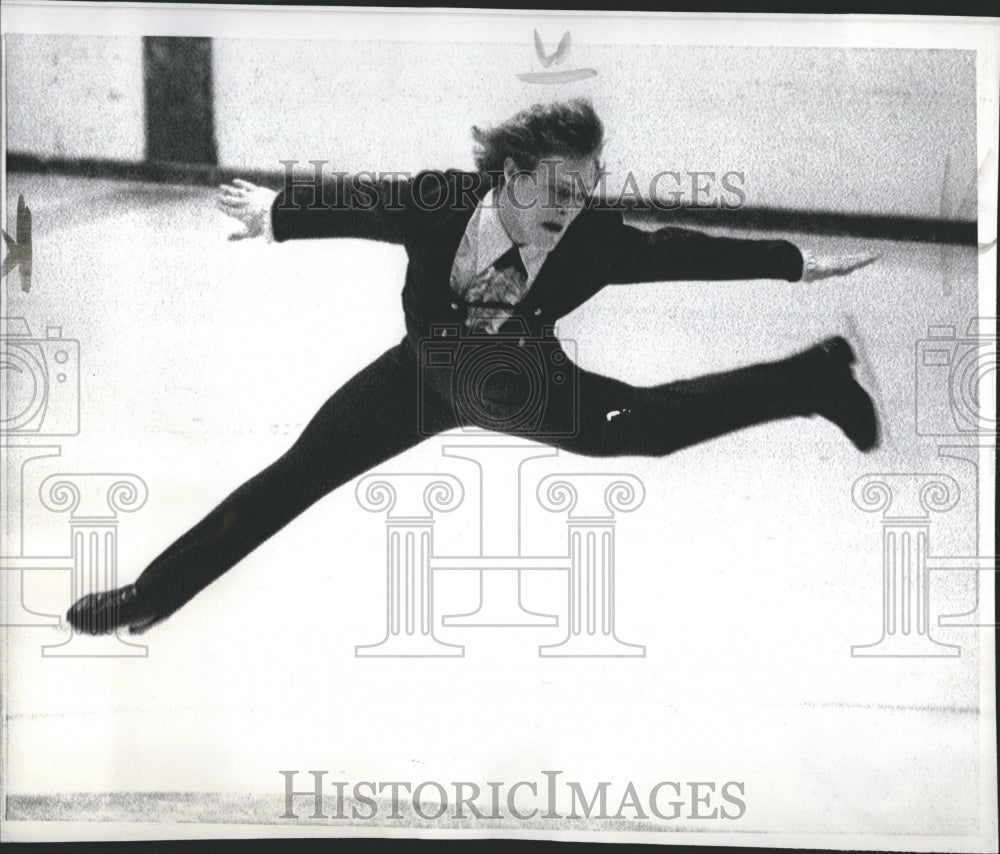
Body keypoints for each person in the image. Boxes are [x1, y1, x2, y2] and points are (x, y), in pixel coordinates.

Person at [67, 98, 880, 635]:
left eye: (586, 190)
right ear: (513, 176)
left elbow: (680, 252)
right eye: (560, 190)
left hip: (522, 380)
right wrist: (278, 215)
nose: (572, 209)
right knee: (293, 477)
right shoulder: (442, 200)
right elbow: (364, 202)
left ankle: (811, 380)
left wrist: (794, 260)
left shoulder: (590, 241)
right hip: (420, 375)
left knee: (651, 428)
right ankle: (151, 594)